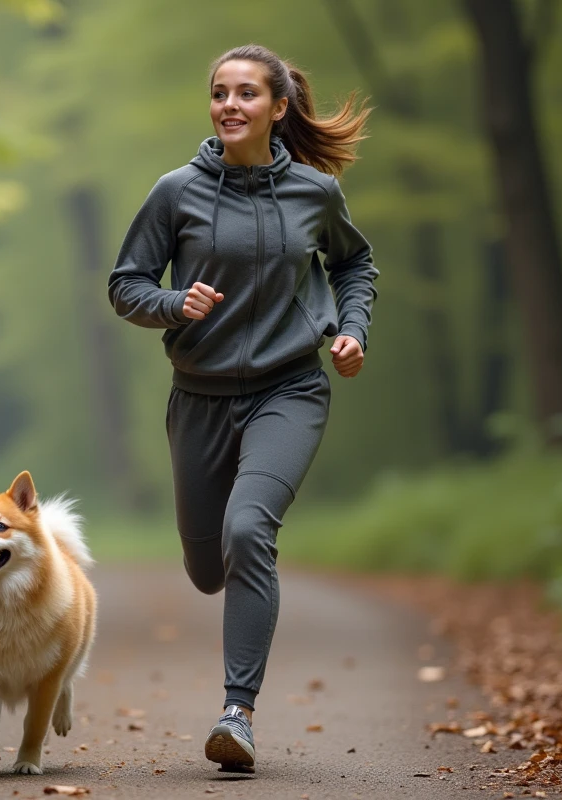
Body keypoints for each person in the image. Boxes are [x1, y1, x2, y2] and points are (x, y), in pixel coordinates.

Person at [106, 43, 377, 773]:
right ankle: (227, 581)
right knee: (206, 563)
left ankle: (238, 713)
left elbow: (353, 262)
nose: (230, 105)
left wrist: (351, 329)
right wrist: (173, 302)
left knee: (249, 528)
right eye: (220, 92)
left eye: (246, 94)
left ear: (278, 108)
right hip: (197, 398)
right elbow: (126, 282)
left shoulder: (315, 195)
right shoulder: (176, 192)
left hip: (289, 389)